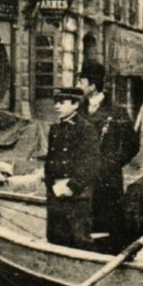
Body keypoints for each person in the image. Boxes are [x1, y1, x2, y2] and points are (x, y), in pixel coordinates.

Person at [76, 60, 139, 252]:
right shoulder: (79, 109)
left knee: (109, 223)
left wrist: (112, 163)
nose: (78, 86)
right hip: (83, 178)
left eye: (81, 82)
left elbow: (132, 144)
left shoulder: (116, 111)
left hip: (107, 179)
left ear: (92, 86)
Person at [44, 87, 100, 250]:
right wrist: (50, 185)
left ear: (75, 104)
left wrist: (73, 186)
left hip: (77, 194)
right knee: (56, 236)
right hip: (55, 191)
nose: (57, 106)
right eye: (56, 102)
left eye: (62, 102)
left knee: (79, 238)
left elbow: (91, 162)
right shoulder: (55, 129)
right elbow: (50, 159)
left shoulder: (85, 129)